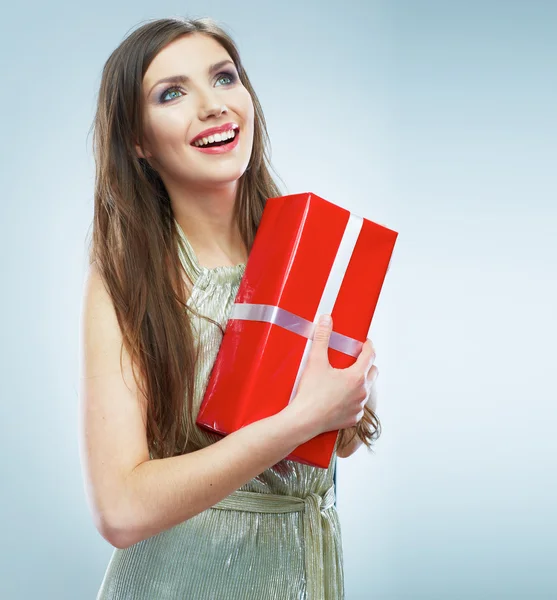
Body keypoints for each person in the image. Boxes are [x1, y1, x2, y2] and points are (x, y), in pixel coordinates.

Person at [79, 16, 381, 600]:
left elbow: (330, 449)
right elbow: (119, 508)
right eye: (172, 93)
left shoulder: (305, 247)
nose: (213, 105)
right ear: (137, 142)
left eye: (223, 78)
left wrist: (352, 396)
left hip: (300, 577)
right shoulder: (129, 277)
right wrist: (300, 419)